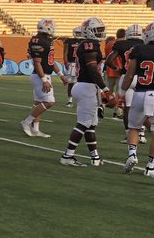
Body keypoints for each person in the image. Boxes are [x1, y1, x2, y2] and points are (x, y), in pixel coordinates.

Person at [120, 19, 154, 176]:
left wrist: (122, 93)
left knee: (134, 127)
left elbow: (130, 74)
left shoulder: (139, 49)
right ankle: (150, 167)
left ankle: (132, 154)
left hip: (142, 92)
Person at [59, 19, 107, 167]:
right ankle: (67, 155)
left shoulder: (89, 44)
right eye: (97, 30)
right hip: (86, 86)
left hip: (86, 86)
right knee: (83, 124)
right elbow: (92, 69)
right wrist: (105, 89)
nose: (100, 32)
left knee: (90, 125)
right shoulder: (90, 44)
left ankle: (95, 157)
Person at [22, 19, 57, 138]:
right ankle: (26, 122)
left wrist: (61, 75)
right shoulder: (39, 41)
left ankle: (36, 129)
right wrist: (44, 80)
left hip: (44, 74)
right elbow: (37, 62)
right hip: (40, 75)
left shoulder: (47, 40)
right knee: (49, 101)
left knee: (38, 103)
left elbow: (51, 60)